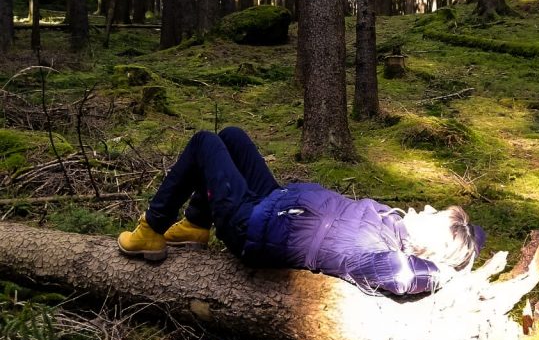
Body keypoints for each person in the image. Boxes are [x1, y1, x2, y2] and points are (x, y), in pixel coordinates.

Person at [117, 127, 485, 296]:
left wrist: (452, 273)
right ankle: (197, 225)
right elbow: (472, 237)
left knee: (204, 142)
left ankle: (151, 229)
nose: (429, 207)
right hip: (274, 203)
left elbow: (406, 277)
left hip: (251, 228)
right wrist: (468, 240)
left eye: (436, 216)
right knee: (232, 136)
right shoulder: (394, 223)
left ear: (431, 245)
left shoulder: (381, 258)